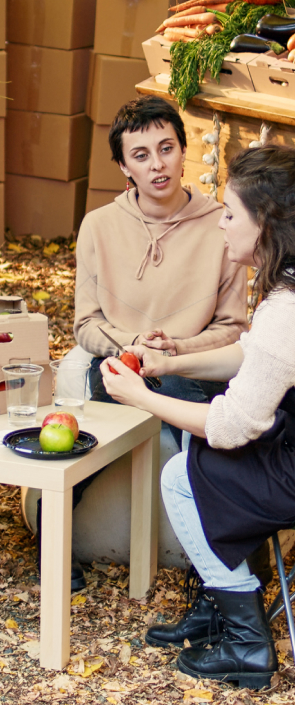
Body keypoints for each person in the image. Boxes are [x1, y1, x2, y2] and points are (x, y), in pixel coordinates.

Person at [100, 144, 295, 689]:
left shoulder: (288, 308)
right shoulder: (290, 285)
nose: (222, 225)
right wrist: (172, 361)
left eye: (232, 214)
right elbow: (255, 354)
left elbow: (233, 426)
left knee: (183, 475)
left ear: (268, 224)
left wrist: (141, 395)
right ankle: (219, 604)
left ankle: (247, 644)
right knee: (200, 453)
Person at [58, 96, 249, 590]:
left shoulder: (223, 224)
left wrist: (177, 350)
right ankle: (51, 538)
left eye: (167, 148)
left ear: (184, 152)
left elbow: (233, 327)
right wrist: (135, 343)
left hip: (194, 367)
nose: (157, 164)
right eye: (141, 155)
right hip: (124, 363)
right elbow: (85, 322)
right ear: (124, 166)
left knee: (195, 401)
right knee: (86, 420)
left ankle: (210, 568)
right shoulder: (99, 226)